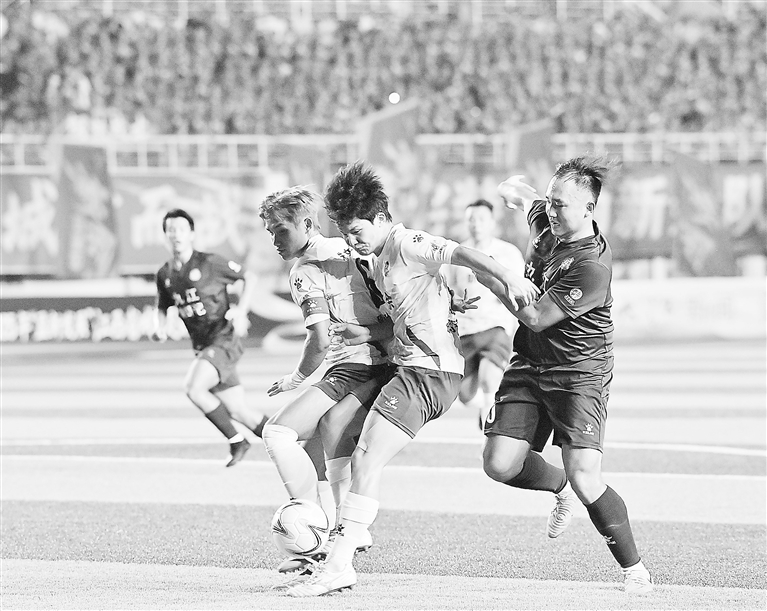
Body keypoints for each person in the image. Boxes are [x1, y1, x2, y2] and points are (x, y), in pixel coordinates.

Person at [285, 161, 539, 597]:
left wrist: (509, 275)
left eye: (357, 231)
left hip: (430, 372)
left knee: (367, 457)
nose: (352, 240)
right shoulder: (377, 259)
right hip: (409, 368)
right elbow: (403, 313)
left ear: (382, 217)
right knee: (334, 426)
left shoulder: (406, 243)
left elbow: (462, 254)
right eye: (345, 232)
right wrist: (369, 332)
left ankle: (340, 561)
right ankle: (344, 539)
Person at [482, 160, 653, 594]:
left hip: (578, 374)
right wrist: (514, 190)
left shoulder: (592, 266)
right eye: (550, 202)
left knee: (586, 476)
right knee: (499, 465)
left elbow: (537, 317)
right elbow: (524, 196)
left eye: (560, 205)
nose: (551, 211)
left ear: (589, 209)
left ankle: (635, 570)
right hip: (529, 364)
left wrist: (493, 277)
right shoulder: (547, 220)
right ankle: (558, 487)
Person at [258, 187, 397, 583]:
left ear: (307, 224)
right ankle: (327, 541)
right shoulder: (353, 248)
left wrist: (297, 378)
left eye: (280, 230)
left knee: (278, 433)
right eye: (270, 232)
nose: (275, 240)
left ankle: (317, 530)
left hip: (358, 365)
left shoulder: (305, 270)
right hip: (378, 359)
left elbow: (318, 341)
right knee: (319, 442)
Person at [152, 208, 268, 467]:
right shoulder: (165, 274)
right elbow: (162, 306)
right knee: (239, 411)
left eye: (181, 229)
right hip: (203, 346)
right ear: (165, 236)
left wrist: (241, 311)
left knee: (194, 389)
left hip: (223, 340)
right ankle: (288, 441)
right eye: (171, 230)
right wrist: (160, 327)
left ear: (192, 234)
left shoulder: (210, 263)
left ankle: (237, 441)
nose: (176, 235)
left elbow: (249, 277)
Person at [444, 199, 525, 428]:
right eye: (471, 219)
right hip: (466, 330)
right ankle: (485, 404)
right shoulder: (458, 254)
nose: (476, 224)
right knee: (464, 395)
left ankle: (490, 428)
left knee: (490, 379)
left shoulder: (508, 253)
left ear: (492, 222)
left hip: (496, 326)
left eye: (481, 219)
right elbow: (448, 292)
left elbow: (521, 290)